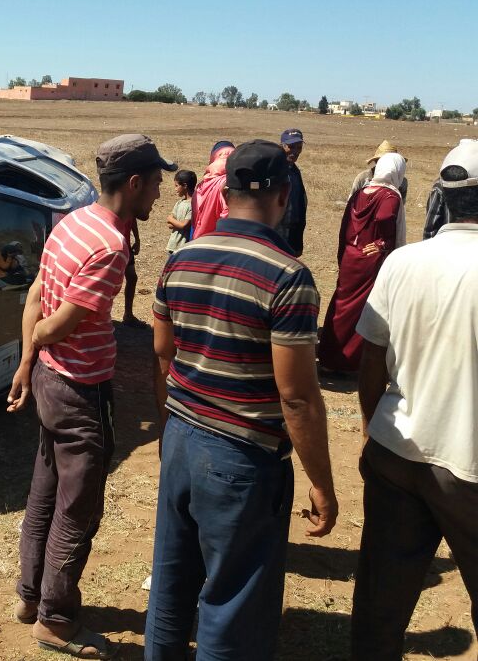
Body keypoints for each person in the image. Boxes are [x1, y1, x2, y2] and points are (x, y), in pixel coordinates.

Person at [146, 139, 337, 661]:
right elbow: (296, 397)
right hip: (243, 457)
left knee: (171, 583)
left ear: (224, 193)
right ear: (283, 197)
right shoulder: (287, 276)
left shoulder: (182, 257)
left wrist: (184, 409)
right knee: (233, 605)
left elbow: (164, 351)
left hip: (182, 438)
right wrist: (322, 484)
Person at [7, 133, 176, 659]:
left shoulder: (72, 221)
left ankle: (30, 596)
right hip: (80, 392)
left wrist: (27, 363)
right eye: (154, 183)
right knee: (77, 509)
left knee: (44, 493)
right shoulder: (111, 247)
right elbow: (56, 323)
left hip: (50, 383)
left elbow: (36, 292)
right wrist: (38, 341)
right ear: (133, 183)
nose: (158, 194)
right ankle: (55, 621)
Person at [352, 138, 478, 660]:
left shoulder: (404, 263)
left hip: (395, 449)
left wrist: (368, 426)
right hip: (467, 465)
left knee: (382, 595)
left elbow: (370, 359)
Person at [317, 153, 407, 373]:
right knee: (363, 309)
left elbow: (345, 225)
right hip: (370, 261)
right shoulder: (390, 196)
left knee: (342, 305)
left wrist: (344, 253)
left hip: (351, 256)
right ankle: (349, 361)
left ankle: (329, 354)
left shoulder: (361, 192)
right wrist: (383, 242)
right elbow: (386, 217)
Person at [275, 128, 307, 256]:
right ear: (282, 145)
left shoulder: (294, 169)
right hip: (277, 232)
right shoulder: (276, 169)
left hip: (293, 230)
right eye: (291, 146)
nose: (295, 151)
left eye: (298, 147)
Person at [190, 141, 234, 238]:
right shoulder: (233, 183)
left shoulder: (201, 186)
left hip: (199, 240)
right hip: (222, 241)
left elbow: (195, 217)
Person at [165, 170, 196, 255]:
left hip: (184, 248)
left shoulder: (193, 204)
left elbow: (183, 225)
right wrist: (175, 222)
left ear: (185, 185)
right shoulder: (179, 203)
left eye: (177, 186)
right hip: (173, 246)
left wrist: (171, 219)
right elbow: (169, 225)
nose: (175, 189)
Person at [121, 220, 146, 327]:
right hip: (114, 246)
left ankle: (128, 315)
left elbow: (133, 220)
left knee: (132, 278)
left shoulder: (129, 206)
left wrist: (137, 239)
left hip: (126, 246)